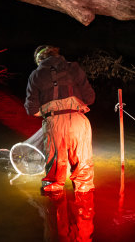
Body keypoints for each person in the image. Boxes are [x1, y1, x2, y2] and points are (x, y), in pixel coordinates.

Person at [24, 45, 96, 194]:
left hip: (54, 124)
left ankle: (55, 208)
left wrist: (50, 113)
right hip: (79, 122)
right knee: (84, 173)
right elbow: (90, 98)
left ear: (39, 59)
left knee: (55, 177)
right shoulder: (74, 68)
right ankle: (85, 209)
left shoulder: (36, 75)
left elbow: (32, 110)